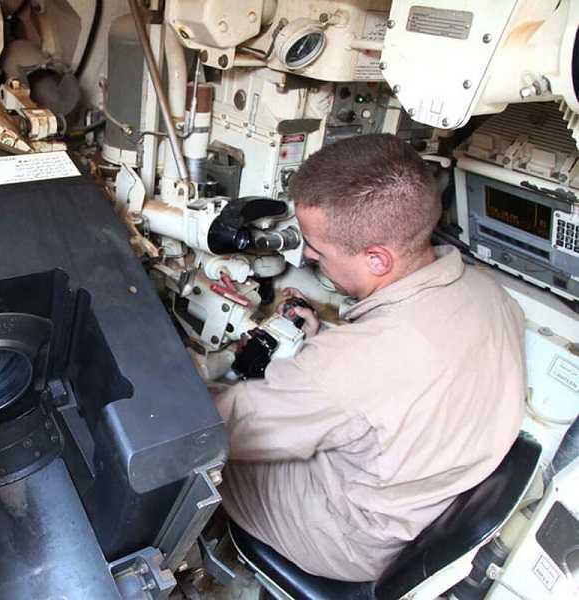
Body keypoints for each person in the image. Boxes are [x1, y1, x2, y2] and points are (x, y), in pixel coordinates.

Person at [214, 134, 526, 582]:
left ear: (378, 259)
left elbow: (219, 427)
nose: (306, 255)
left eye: (318, 252)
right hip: (427, 503)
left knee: (204, 458)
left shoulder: (349, 368)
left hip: (349, 542)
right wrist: (322, 345)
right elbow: (384, 379)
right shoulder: (489, 293)